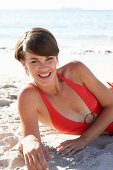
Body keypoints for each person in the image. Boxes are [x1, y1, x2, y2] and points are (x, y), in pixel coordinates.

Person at [15, 27, 113, 170]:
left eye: (49, 59)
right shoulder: (28, 96)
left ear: (56, 58)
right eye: (35, 61)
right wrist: (29, 141)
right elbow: (30, 136)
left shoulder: (75, 70)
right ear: (23, 63)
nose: (44, 67)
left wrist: (84, 140)